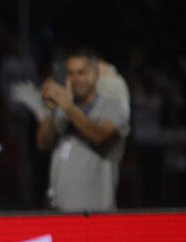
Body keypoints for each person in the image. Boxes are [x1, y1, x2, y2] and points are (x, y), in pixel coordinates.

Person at [35, 50, 130, 211]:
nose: (75, 79)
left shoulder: (113, 105)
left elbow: (100, 137)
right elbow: (43, 144)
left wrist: (68, 107)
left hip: (96, 213)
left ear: (96, 74)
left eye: (81, 73)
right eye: (70, 73)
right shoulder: (64, 106)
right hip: (58, 211)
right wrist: (50, 112)